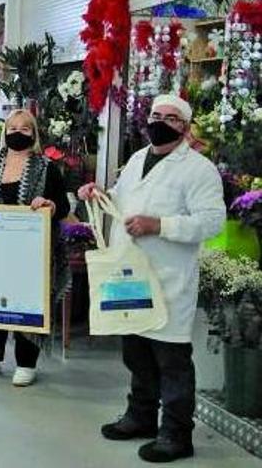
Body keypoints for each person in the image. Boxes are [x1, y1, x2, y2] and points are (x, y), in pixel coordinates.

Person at [78, 94, 225, 463]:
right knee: (136, 351)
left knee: (171, 358)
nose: (161, 121)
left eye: (172, 118)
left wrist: (160, 225)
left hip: (169, 277)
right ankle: (140, 417)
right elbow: (123, 198)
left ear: (185, 127)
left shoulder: (198, 169)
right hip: (131, 273)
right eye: (156, 115)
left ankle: (176, 434)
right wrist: (96, 194)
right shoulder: (138, 159)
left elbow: (212, 221)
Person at [0, 109, 70, 386]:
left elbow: (63, 205)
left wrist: (50, 205)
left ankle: (26, 362)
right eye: (12, 128)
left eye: (24, 129)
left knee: (27, 300)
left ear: (33, 134)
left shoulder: (46, 167)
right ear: (4, 132)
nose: (17, 133)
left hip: (31, 251)